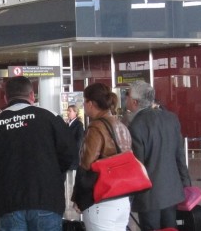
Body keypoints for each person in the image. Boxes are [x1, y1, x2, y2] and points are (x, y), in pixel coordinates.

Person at [0, 76, 75, 231]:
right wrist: (52, 175)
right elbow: (70, 153)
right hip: (47, 199)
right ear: (32, 95)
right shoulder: (50, 117)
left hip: (7, 202)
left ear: (6, 98)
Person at [127, 81, 191, 230]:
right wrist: (186, 183)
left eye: (127, 95)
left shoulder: (136, 125)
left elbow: (138, 166)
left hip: (149, 196)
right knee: (170, 227)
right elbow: (180, 155)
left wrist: (129, 198)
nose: (125, 99)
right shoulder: (171, 118)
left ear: (135, 101)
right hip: (172, 191)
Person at [71, 83, 133, 230]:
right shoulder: (121, 125)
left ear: (91, 103)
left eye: (84, 101)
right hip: (122, 199)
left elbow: (86, 165)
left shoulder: (96, 128)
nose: (83, 106)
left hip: (101, 202)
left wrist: (78, 198)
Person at [66, 105, 84, 171]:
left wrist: (73, 151)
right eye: (67, 111)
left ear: (75, 112)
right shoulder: (67, 124)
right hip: (67, 154)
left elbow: (80, 140)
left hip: (74, 155)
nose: (68, 112)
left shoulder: (79, 124)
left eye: (70, 111)